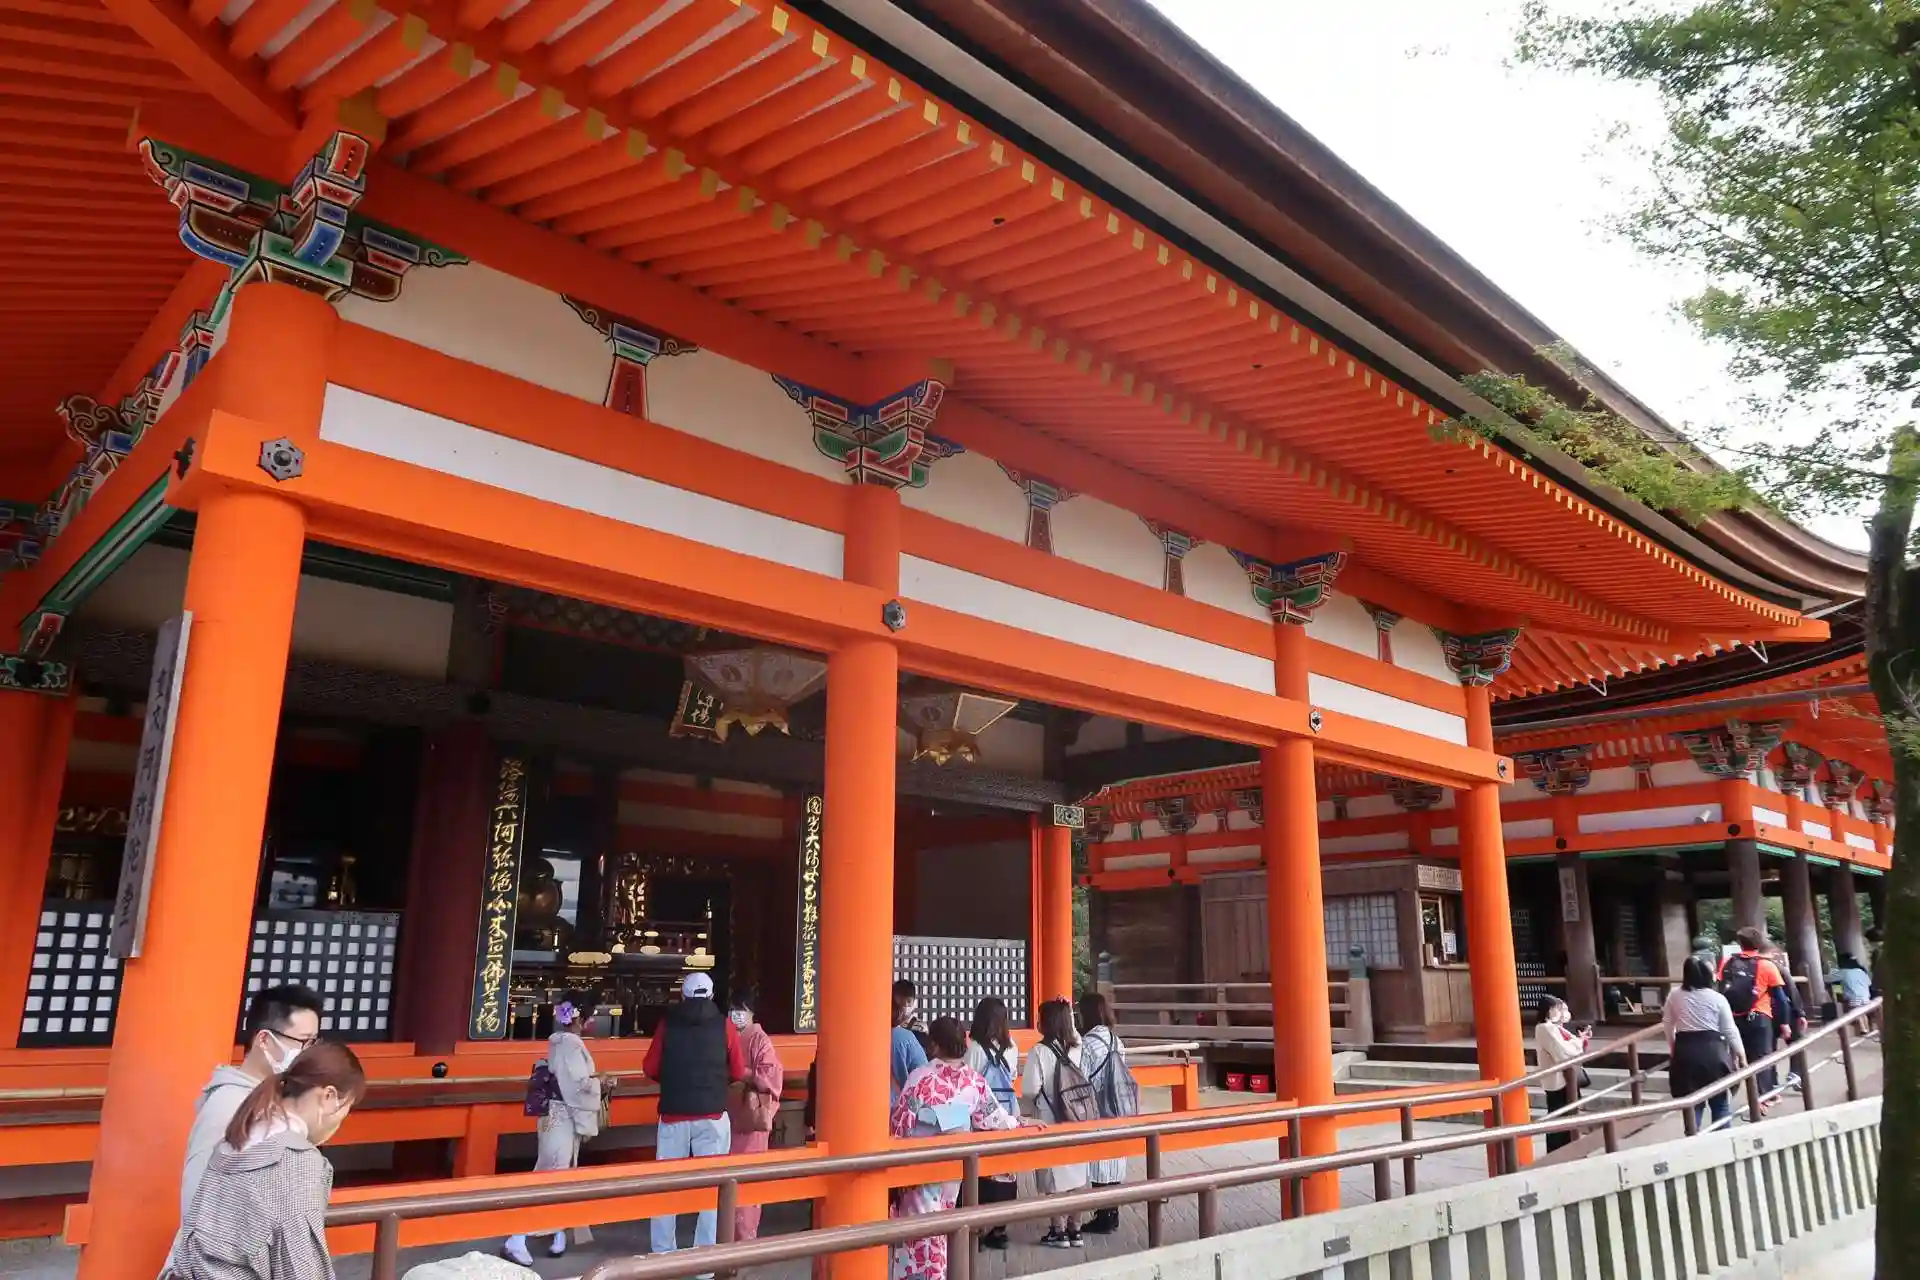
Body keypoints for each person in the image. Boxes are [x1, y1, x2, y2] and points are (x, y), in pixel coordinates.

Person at [171, 1040, 366, 1280]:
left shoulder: (242, 1132)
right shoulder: (297, 1162)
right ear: (329, 1096)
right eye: (347, 1108)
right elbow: (301, 1267)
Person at [177, 983, 325, 1243]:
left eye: (313, 1042)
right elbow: (198, 1196)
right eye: (303, 1041)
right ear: (264, 1040)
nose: (308, 1053)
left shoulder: (278, 1095)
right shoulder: (228, 1105)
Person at [890, 1016, 1032, 1280]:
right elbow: (995, 1119)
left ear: (934, 1045)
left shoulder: (920, 1078)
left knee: (919, 1232)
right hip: (953, 1167)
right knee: (946, 1225)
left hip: (920, 1165)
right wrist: (1020, 1121)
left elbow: (900, 1121)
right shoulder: (973, 1080)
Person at [643, 972, 745, 1260]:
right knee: (712, 1188)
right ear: (711, 995)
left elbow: (650, 1067)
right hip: (712, 1116)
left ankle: (663, 1255)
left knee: (666, 1185)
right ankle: (705, 1259)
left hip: (673, 1115)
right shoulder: (725, 1025)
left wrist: (673, 1080)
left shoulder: (667, 1024)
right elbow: (738, 1071)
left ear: (682, 996)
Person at [505, 992, 604, 1265]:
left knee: (558, 1174)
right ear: (580, 1019)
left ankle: (557, 1232)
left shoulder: (559, 1042)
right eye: (589, 1016)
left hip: (555, 1115)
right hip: (562, 1116)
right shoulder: (570, 1044)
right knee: (552, 1176)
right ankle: (517, 1237)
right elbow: (577, 1086)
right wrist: (602, 1083)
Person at [1022, 998, 1089, 1248]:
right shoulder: (1077, 1047)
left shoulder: (1039, 1051)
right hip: (1076, 1116)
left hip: (1049, 1117)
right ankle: (1075, 1228)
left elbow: (1030, 1089)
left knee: (1052, 1175)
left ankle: (1058, 1231)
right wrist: (1068, 1012)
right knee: (1077, 1173)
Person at [724, 986, 784, 1242]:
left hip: (749, 1118)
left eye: (742, 1010)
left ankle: (745, 1239)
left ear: (752, 1013)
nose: (736, 1014)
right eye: (733, 1009)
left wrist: (743, 1074)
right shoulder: (726, 1036)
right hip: (728, 1114)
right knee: (726, 1179)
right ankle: (727, 1238)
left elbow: (772, 1076)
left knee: (746, 1182)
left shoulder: (760, 1039)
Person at [1662, 956, 1745, 1132]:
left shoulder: (1674, 996)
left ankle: (1693, 1139)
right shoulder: (1717, 998)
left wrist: (1673, 1047)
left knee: (1693, 1104)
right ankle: (1722, 1140)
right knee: (1720, 1102)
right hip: (1713, 1051)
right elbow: (1729, 1030)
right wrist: (1741, 1054)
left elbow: (1668, 1024)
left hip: (1685, 1051)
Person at [1076, 991, 1135, 1234]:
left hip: (1098, 1106)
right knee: (1115, 1158)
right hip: (1117, 1105)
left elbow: (1081, 1076)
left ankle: (1103, 1215)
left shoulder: (1087, 1043)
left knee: (1099, 1159)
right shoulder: (1116, 1040)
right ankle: (1113, 1212)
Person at [963, 997, 1020, 1250]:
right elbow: (1013, 1076)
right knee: (1006, 1168)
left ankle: (978, 1228)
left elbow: (967, 1081)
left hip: (982, 1115)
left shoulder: (974, 1049)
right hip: (1007, 1113)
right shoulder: (1012, 1047)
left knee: (980, 1170)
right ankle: (1000, 1228)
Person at [1717, 928, 1789, 1101]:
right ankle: (1765, 1097)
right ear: (1759, 944)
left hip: (1735, 1017)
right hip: (1759, 1016)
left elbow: (1721, 989)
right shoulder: (1766, 965)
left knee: (1744, 1057)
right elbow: (1780, 998)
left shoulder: (1727, 962)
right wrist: (1784, 1023)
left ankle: (1749, 1095)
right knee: (1762, 1057)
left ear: (1740, 944)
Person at [1533, 996, 1589, 1153]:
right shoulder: (1545, 1028)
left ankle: (1567, 1149)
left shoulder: (1554, 1027)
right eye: (1556, 1008)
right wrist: (1577, 1043)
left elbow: (1569, 1047)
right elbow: (1563, 1052)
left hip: (1564, 1078)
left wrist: (1579, 1040)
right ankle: (1558, 1151)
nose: (1559, 1012)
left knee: (1565, 1113)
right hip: (1558, 1080)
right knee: (1559, 1115)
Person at [891, 980, 929, 1103]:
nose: (906, 1006)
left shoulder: (920, 1027)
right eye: (902, 1002)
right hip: (906, 1100)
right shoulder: (904, 1037)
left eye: (909, 1001)